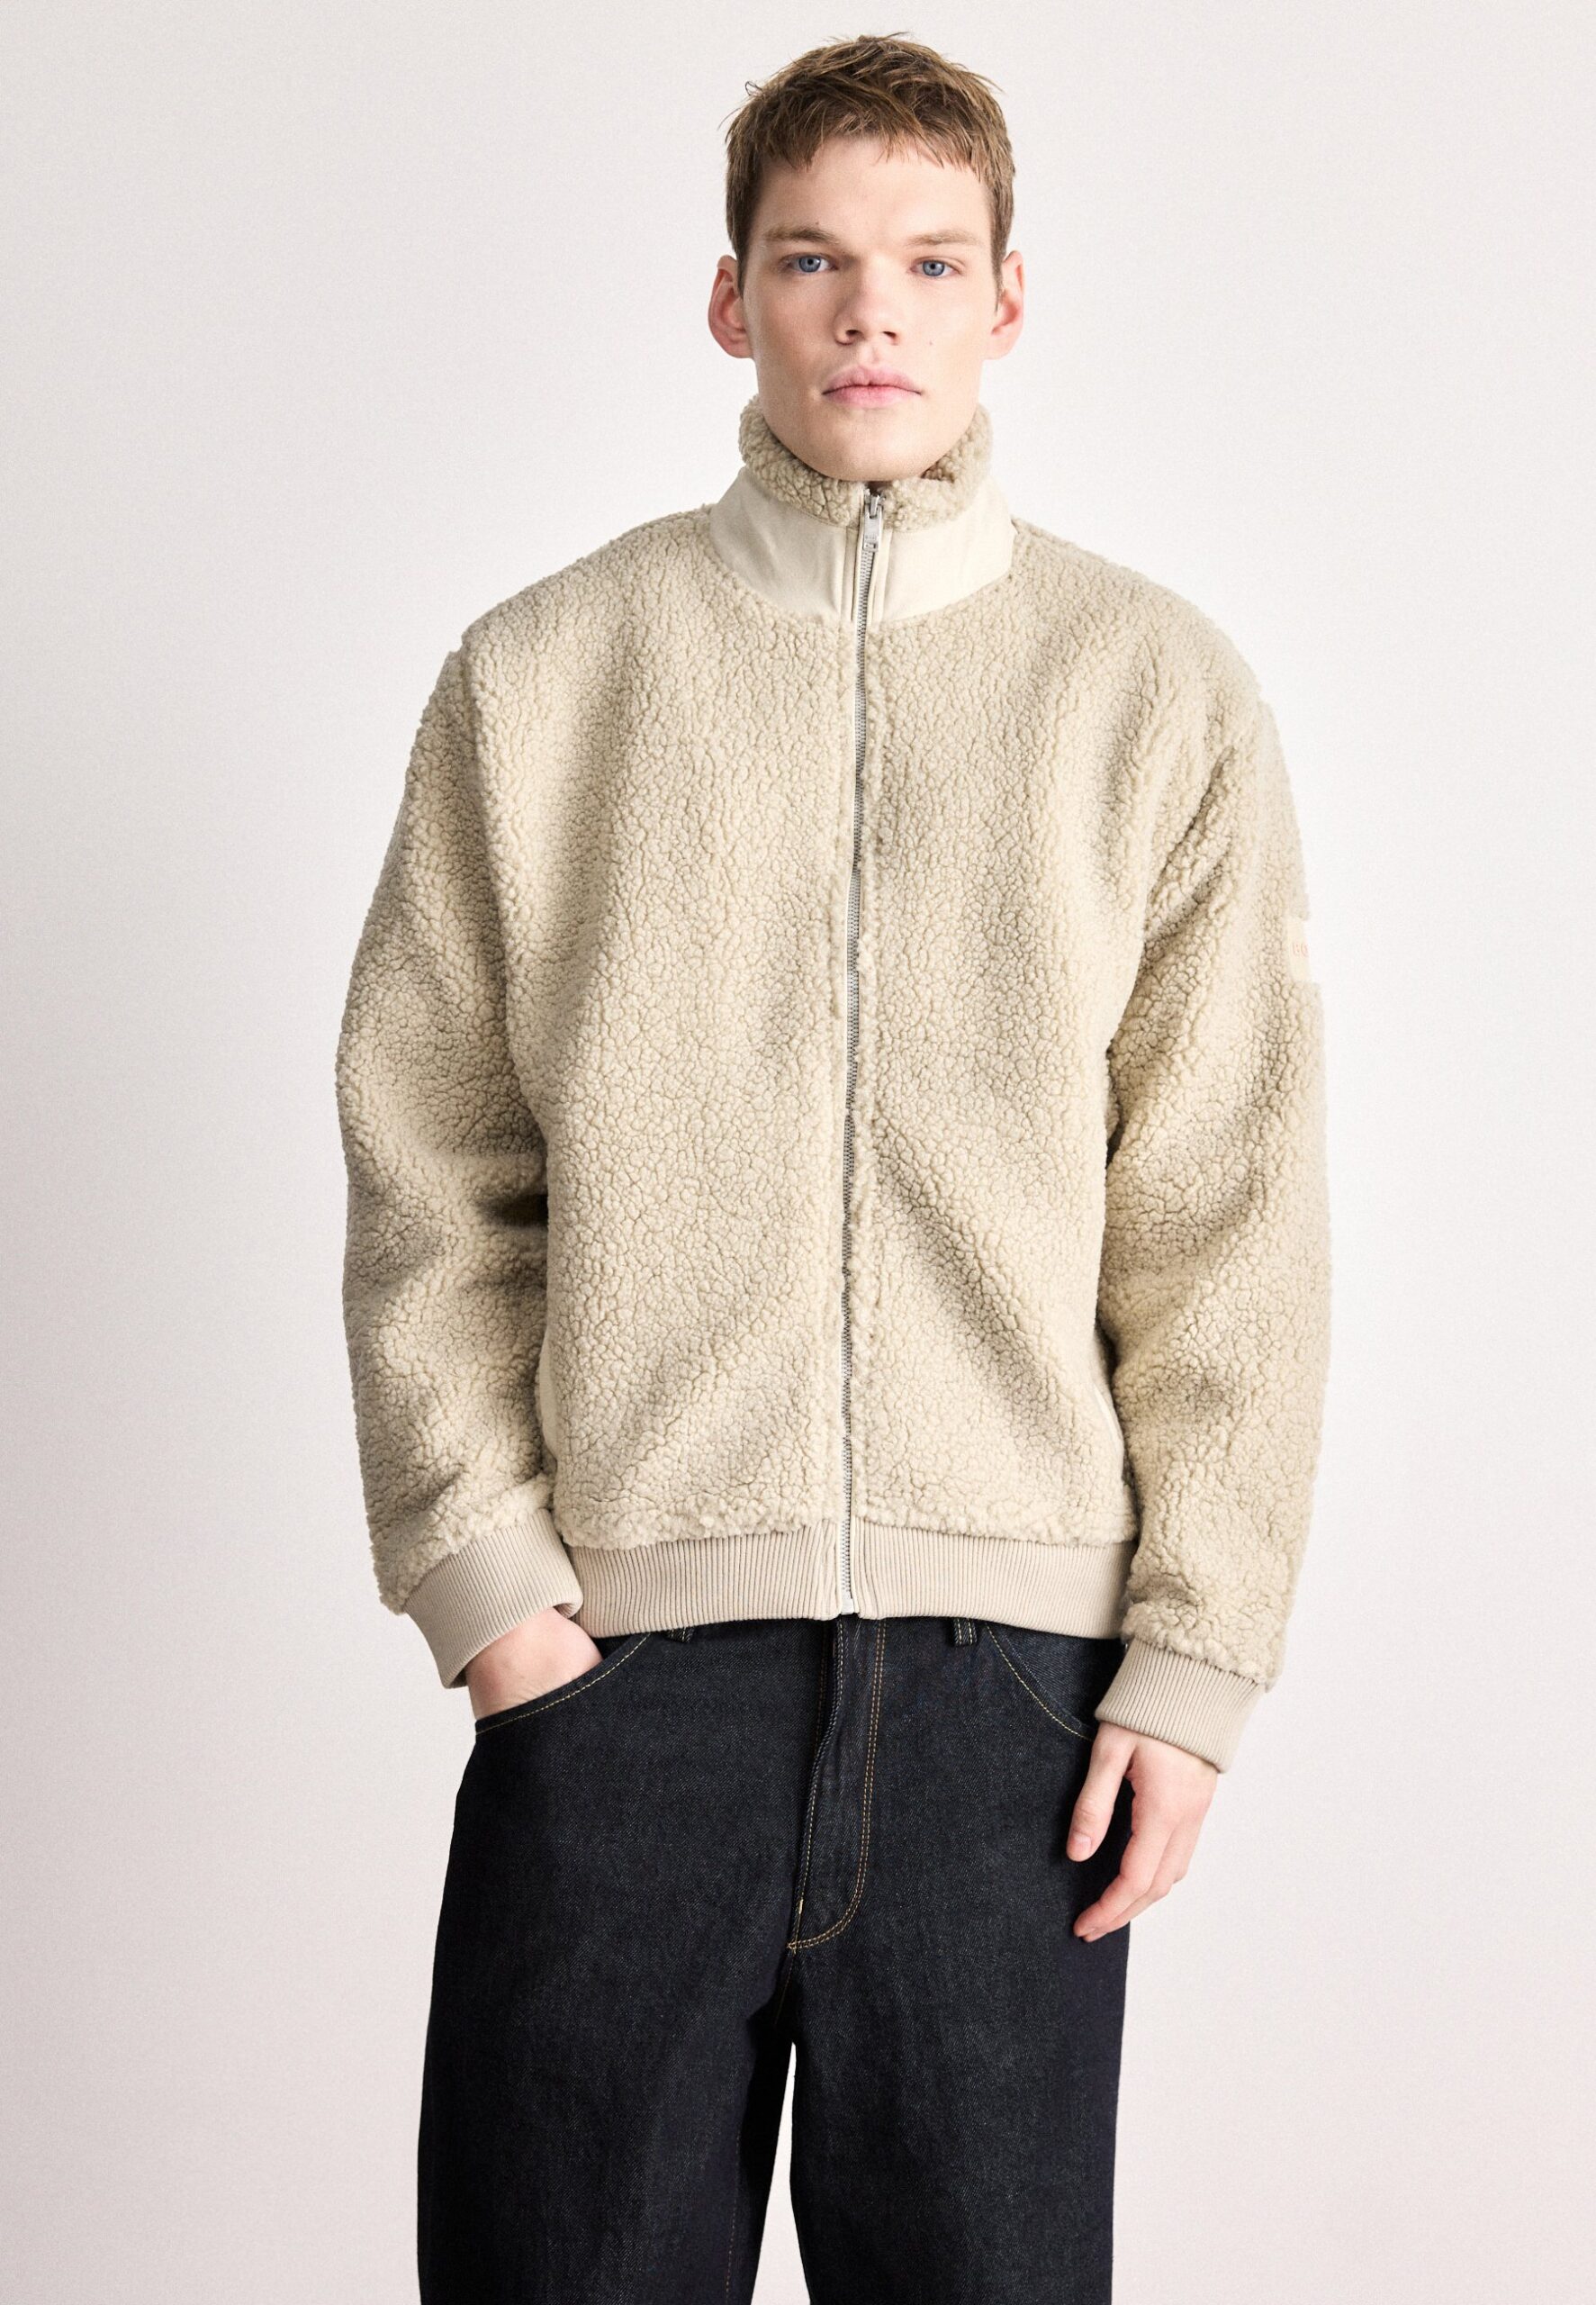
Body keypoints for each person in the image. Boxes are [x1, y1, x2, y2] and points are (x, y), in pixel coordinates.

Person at [334, 32, 1331, 2305]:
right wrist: (497, 1602)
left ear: (1005, 301)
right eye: (810, 259)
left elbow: (1227, 1212)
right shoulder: (544, 677)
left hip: (1014, 1710)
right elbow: (430, 1157)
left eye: (925, 261)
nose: (868, 308)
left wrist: (1190, 1663)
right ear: (729, 299)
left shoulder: (1151, 693)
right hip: (621, 1679)